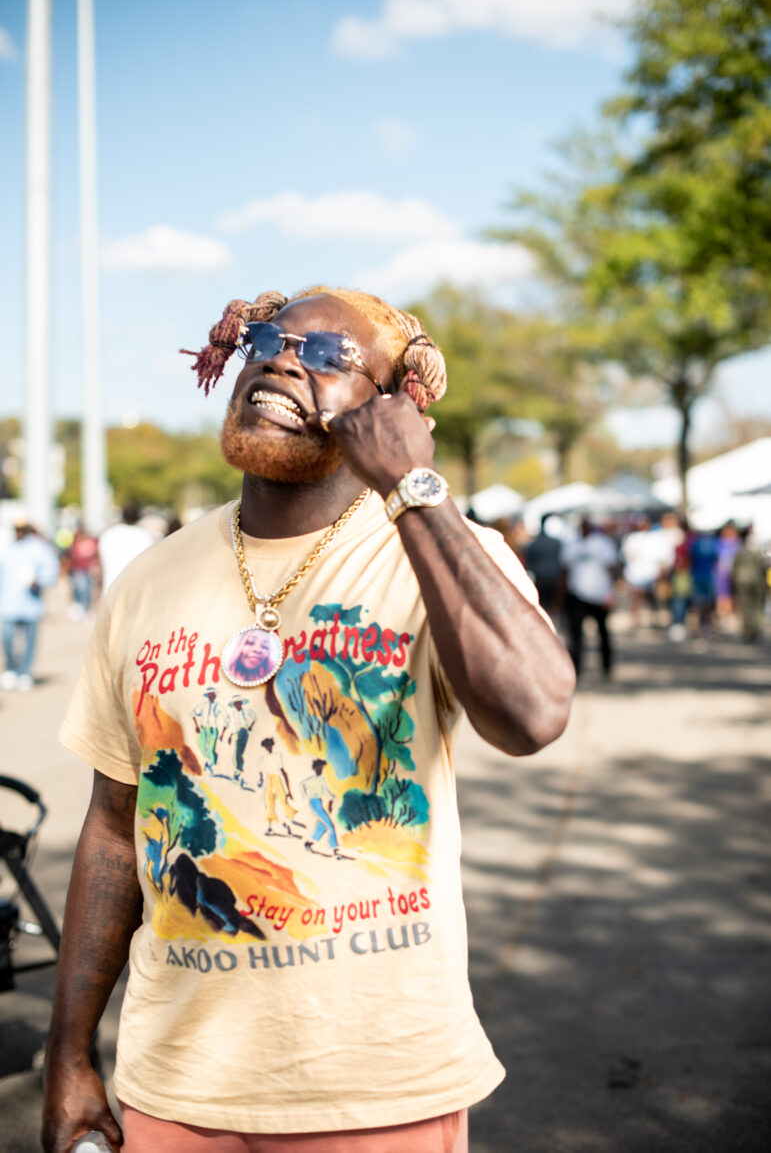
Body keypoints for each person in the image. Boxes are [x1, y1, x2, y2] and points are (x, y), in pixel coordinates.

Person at [44, 285, 575, 1153]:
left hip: (376, 1090)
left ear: (393, 407)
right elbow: (112, 828)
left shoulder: (441, 548)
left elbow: (534, 713)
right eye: (268, 339)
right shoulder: (148, 580)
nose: (283, 359)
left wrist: (412, 486)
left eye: (330, 356)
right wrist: (69, 1056)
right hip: (172, 1086)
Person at [0, 519, 60, 691]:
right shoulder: (6, 548)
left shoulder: (39, 548)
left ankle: (25, 672)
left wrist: (39, 581)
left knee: (29, 641)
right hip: (8, 604)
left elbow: (50, 571)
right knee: (7, 639)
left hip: (31, 604)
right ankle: (12, 668)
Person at [562, 517, 619, 678]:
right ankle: (576, 669)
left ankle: (607, 667)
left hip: (600, 595)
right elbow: (565, 571)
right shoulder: (571, 545)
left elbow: (612, 569)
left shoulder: (603, 544)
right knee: (576, 636)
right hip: (577, 594)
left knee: (603, 633)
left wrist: (611, 592)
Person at [97, 503, 154, 593]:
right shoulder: (144, 535)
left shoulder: (109, 534)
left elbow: (100, 564)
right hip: (136, 590)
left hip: (111, 588)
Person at [524, 514, 564, 620]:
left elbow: (529, 563)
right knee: (552, 609)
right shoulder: (556, 543)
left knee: (543, 608)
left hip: (541, 579)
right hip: (552, 579)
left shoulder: (533, 544)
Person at [731, 526, 767, 642]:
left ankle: (749, 629)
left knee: (747, 606)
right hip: (756, 581)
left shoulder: (741, 552)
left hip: (744, 580)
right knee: (755, 606)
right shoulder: (759, 553)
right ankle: (754, 628)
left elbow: (734, 568)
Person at [65, 524, 100, 620]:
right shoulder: (75, 542)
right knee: (80, 590)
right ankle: (80, 609)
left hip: (87, 570)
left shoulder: (90, 542)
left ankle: (85, 609)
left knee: (86, 590)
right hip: (78, 570)